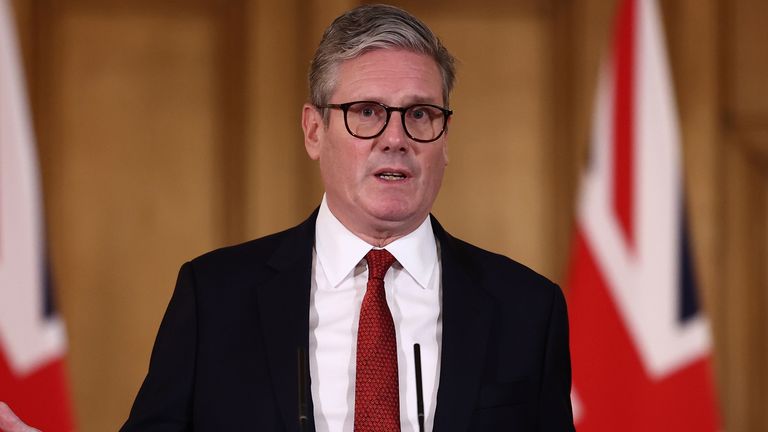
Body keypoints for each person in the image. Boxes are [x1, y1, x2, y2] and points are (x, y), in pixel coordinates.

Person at [1, 4, 574, 432]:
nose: (395, 139)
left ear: (444, 138)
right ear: (313, 130)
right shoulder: (214, 297)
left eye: (420, 114)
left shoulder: (528, 307)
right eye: (367, 112)